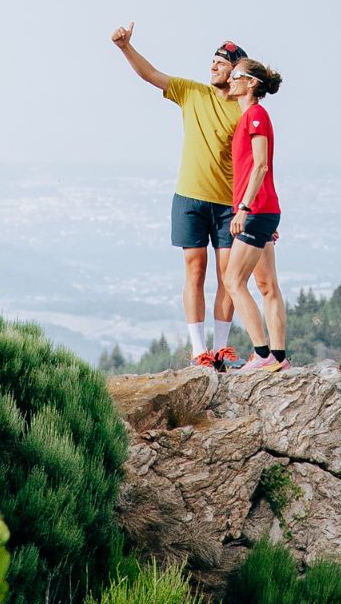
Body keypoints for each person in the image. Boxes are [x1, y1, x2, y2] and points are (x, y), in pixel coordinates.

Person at [110, 23, 246, 367]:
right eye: (213, 60)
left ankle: (222, 348)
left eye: (221, 62)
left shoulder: (244, 109)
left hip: (228, 204)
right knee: (195, 270)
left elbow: (253, 161)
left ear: (235, 72)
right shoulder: (191, 92)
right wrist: (125, 47)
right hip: (189, 197)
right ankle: (199, 349)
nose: (213, 65)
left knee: (228, 276)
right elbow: (150, 74)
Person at [223, 57, 287, 372]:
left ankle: (261, 355)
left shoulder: (256, 115)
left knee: (233, 280)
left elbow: (260, 165)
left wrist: (245, 209)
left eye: (235, 75)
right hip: (263, 210)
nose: (230, 80)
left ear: (252, 83)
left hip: (255, 209)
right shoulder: (250, 116)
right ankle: (278, 358)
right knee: (267, 286)